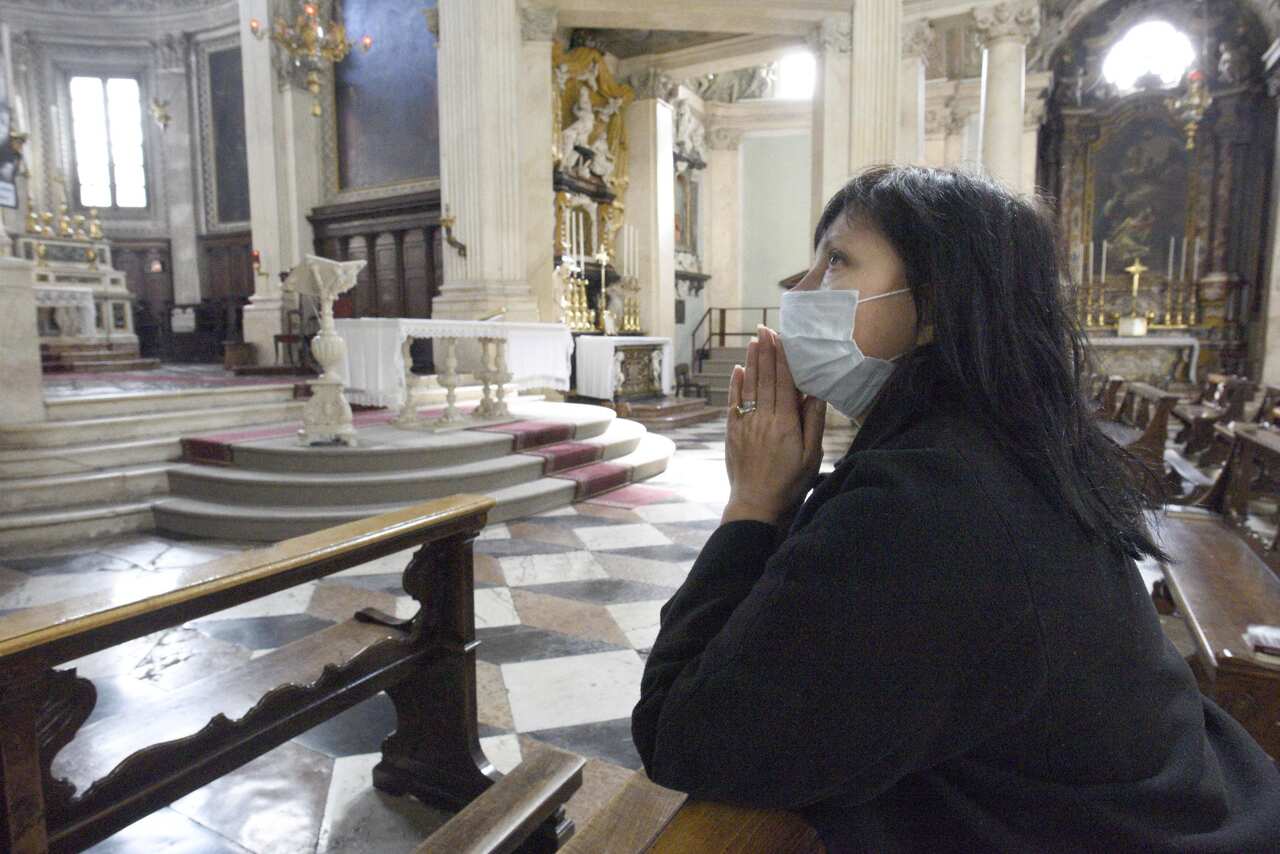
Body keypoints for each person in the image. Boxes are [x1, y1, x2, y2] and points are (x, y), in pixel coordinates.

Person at [631, 167, 1280, 851]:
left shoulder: (928, 505)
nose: (797, 286)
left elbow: (688, 736)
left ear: (935, 307)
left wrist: (754, 505)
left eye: (837, 261)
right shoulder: (999, 443)